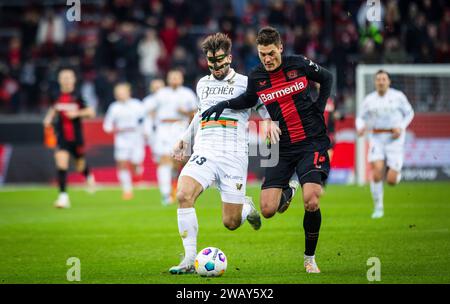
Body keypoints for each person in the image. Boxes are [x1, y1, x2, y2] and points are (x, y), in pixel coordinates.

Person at [202, 27, 333, 273]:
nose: (267, 59)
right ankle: (290, 190)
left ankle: (309, 258)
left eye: (271, 53)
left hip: (311, 142)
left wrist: (320, 107)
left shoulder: (299, 65)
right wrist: (223, 104)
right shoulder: (257, 76)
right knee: (268, 210)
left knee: (312, 200)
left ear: (280, 48)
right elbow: (248, 101)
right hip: (281, 147)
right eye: (263, 54)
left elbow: (326, 78)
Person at [168, 32, 281, 274]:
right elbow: (200, 115)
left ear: (229, 57)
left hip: (233, 156)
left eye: (220, 60)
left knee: (230, 222)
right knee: (183, 194)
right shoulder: (202, 84)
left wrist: (270, 122)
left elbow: (263, 107)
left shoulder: (245, 82)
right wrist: (185, 139)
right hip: (205, 149)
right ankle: (188, 259)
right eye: (211, 62)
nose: (216, 66)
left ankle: (246, 208)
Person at [356, 70, 414, 219]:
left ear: (389, 82)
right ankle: (378, 208)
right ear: (375, 82)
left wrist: (401, 127)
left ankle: (394, 172)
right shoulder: (369, 100)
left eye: (384, 79)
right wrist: (360, 127)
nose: (381, 82)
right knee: (376, 173)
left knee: (391, 181)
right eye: (378, 79)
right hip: (377, 138)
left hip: (394, 140)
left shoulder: (398, 97)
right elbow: (360, 118)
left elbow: (410, 113)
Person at [43, 67, 96, 208]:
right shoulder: (55, 95)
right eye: (63, 77)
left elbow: (91, 112)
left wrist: (77, 113)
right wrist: (48, 118)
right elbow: (54, 108)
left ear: (73, 80)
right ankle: (63, 197)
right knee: (61, 163)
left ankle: (88, 175)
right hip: (62, 137)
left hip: (76, 137)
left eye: (69, 77)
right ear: (60, 80)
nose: (66, 80)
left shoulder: (78, 96)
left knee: (80, 165)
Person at [147, 69, 198, 205]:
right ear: (168, 79)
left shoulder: (188, 94)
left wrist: (186, 112)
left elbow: (196, 113)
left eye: (177, 77)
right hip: (163, 128)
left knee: (179, 161)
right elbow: (149, 109)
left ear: (181, 79)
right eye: (172, 77)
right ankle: (165, 194)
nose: (174, 79)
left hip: (180, 128)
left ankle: (177, 187)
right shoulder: (161, 94)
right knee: (164, 160)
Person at [103, 83, 146, 200]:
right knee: (121, 164)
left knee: (135, 164)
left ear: (128, 92)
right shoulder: (114, 107)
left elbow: (145, 120)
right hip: (121, 139)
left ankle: (137, 169)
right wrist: (113, 129)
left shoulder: (137, 105)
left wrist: (145, 132)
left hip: (136, 138)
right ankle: (127, 190)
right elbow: (107, 125)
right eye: (118, 93)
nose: (120, 95)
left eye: (122, 92)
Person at [142, 78, 165, 160]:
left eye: (159, 87)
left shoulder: (169, 99)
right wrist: (145, 131)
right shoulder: (147, 101)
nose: (157, 89)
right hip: (152, 130)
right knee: (156, 156)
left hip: (167, 130)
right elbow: (144, 118)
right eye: (155, 87)